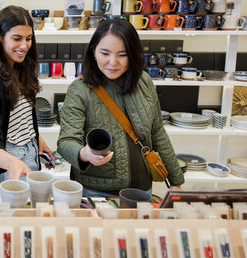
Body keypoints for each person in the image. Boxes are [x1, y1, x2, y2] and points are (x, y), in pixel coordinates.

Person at [57, 18, 184, 198]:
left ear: (133, 55)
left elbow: (157, 133)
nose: (113, 62)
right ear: (93, 51)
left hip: (142, 189)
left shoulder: (144, 82)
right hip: (96, 192)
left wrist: (175, 182)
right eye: (105, 53)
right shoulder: (80, 89)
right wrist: (84, 153)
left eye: (122, 55)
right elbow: (65, 141)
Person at [0, 5, 55, 185]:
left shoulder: (21, 68)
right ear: (0, 38)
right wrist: (11, 162)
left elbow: (20, 116)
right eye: (17, 38)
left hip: (31, 151)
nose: (24, 46)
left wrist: (36, 138)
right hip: (8, 160)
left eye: (29, 38)